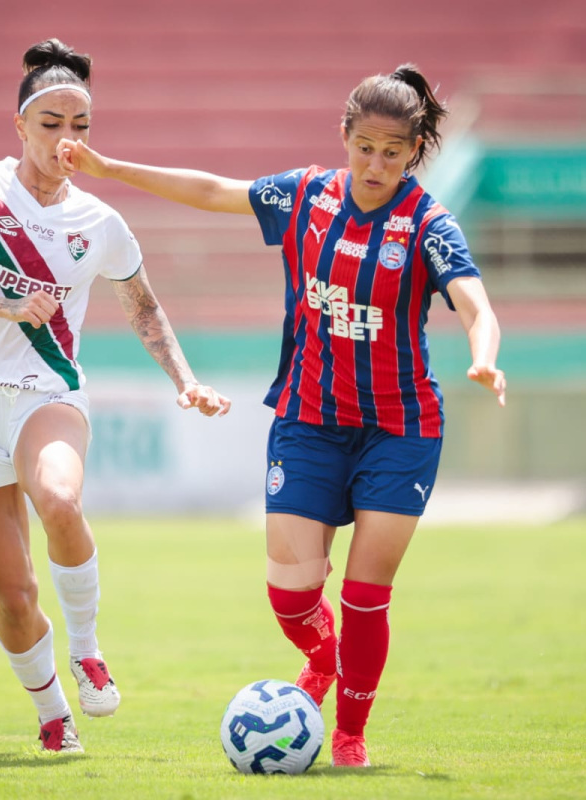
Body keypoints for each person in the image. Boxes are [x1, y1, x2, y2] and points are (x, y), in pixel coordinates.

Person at [60, 65, 506, 767]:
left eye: (393, 152)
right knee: (290, 593)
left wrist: (485, 354)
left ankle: (352, 734)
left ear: (414, 152)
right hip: (308, 419)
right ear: (345, 136)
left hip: (401, 429)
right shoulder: (305, 195)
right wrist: (108, 166)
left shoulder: (427, 224)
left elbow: (474, 300)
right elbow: (213, 191)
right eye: (365, 147)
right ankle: (324, 664)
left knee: (363, 592)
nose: (376, 164)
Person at [0, 38, 230, 755]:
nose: (67, 139)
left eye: (80, 126)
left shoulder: (99, 222)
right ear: (19, 126)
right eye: (51, 123)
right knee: (14, 596)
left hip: (45, 392)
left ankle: (87, 651)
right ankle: (53, 715)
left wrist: (187, 382)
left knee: (59, 499)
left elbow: (144, 308)